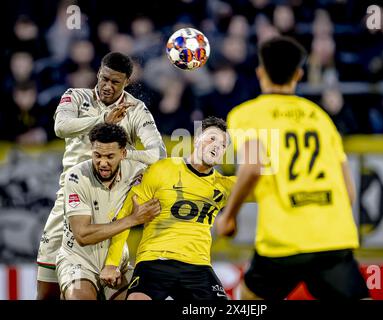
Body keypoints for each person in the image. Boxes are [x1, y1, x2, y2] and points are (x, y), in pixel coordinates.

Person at [216, 36, 369, 300]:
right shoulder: (320, 117)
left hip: (283, 241)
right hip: (333, 238)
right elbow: (349, 193)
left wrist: (229, 216)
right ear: (299, 74)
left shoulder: (247, 114)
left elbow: (252, 167)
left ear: (260, 72)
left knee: (245, 299)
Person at [37, 51, 167, 300]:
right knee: (46, 294)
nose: (107, 86)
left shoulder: (136, 109)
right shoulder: (76, 96)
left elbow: (157, 153)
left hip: (111, 205)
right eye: (104, 78)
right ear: (98, 72)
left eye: (115, 82)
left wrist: (123, 154)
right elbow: (60, 127)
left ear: (127, 82)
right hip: (70, 200)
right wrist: (102, 119)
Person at [100, 117, 237, 300]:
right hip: (155, 261)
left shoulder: (225, 186)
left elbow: (272, 187)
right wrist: (111, 263)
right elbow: (126, 214)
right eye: (212, 138)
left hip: (198, 266)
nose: (216, 146)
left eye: (223, 144)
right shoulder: (162, 168)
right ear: (196, 139)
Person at [56, 123, 161, 300]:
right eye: (97, 155)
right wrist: (133, 219)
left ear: (124, 153)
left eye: (110, 156)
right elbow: (82, 235)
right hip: (78, 261)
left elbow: (163, 162)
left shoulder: (137, 172)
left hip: (118, 261)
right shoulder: (76, 177)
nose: (102, 163)